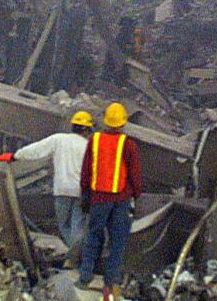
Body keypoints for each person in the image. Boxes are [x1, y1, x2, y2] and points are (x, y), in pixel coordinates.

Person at [0, 111, 95, 264]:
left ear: (73, 126)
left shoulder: (59, 139)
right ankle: (79, 255)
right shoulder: (90, 146)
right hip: (81, 192)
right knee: (78, 226)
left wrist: (14, 156)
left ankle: (75, 255)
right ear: (87, 130)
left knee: (63, 224)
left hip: (62, 191)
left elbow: (36, 150)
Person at [79, 102, 142, 297]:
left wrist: (85, 194)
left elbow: (86, 170)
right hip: (121, 199)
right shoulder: (128, 144)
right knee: (117, 241)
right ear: (123, 123)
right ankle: (111, 281)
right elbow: (135, 173)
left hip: (99, 197)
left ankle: (85, 277)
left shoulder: (94, 140)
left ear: (106, 122)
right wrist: (136, 195)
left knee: (93, 236)